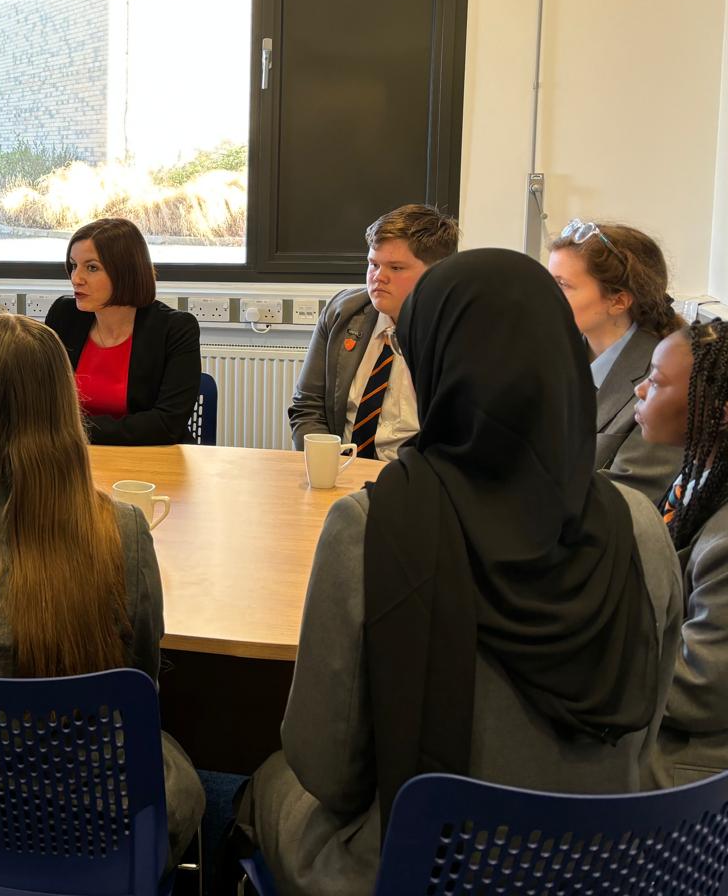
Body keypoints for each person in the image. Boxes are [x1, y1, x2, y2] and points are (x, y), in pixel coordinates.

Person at [240, 250, 682, 896]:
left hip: (426, 867)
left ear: (434, 365)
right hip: (604, 864)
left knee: (258, 787)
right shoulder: (642, 527)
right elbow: (647, 737)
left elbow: (327, 769)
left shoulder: (371, 527)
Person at [0, 315, 203, 867]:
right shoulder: (120, 529)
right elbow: (140, 678)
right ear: (65, 407)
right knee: (190, 780)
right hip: (91, 818)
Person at [633, 319, 728, 786]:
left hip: (692, 774)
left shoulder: (725, 541)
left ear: (720, 412)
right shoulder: (697, 479)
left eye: (657, 381)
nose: (639, 390)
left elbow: (699, 690)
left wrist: (590, 658)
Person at [287, 203, 458, 460]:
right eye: (373, 264)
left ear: (437, 273)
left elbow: (461, 435)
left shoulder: (458, 331)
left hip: (417, 479)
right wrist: (328, 464)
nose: (378, 277)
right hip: (342, 469)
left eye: (396, 268)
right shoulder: (343, 313)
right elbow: (307, 408)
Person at [547, 218, 684, 505]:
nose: (547, 297)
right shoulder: (555, 355)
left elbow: (630, 498)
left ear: (618, 301)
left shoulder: (665, 383)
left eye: (562, 285)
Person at [44, 217, 202, 445]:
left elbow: (167, 424)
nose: (76, 278)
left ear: (125, 272)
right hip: (75, 459)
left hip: (151, 459)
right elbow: (41, 401)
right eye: (73, 265)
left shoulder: (175, 329)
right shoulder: (64, 315)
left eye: (91, 267)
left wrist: (72, 430)